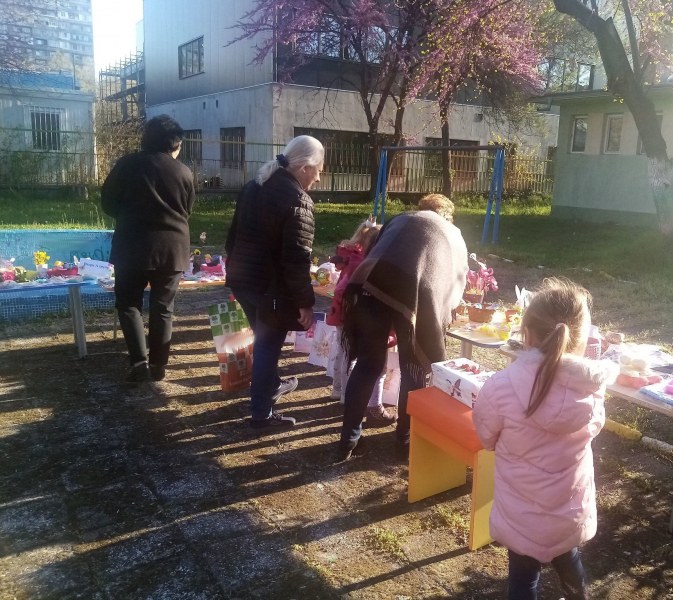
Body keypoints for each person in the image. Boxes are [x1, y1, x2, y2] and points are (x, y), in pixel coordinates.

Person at [473, 277, 618, 600]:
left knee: (523, 578)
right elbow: (594, 426)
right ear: (581, 341)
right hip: (569, 509)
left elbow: (485, 435)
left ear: (526, 334)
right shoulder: (592, 389)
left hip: (522, 512)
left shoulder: (501, 387)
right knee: (569, 557)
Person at [338, 195, 468, 460]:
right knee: (414, 367)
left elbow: (374, 246)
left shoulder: (401, 218)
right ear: (447, 216)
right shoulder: (452, 233)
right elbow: (456, 282)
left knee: (368, 363)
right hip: (416, 293)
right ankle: (404, 441)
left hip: (371, 284)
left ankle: (348, 440)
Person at [225, 135, 324, 429]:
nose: (319, 178)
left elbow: (233, 236)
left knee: (263, 339)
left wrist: (236, 271)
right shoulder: (297, 199)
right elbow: (296, 260)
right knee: (268, 346)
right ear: (305, 167)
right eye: (319, 169)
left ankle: (270, 387)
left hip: (244, 279)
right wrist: (305, 302)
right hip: (269, 288)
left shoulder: (255, 185)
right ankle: (260, 414)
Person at [101, 114, 195, 384]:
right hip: (172, 248)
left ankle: (139, 362)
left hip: (132, 246)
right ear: (175, 144)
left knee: (129, 303)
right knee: (163, 307)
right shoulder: (184, 172)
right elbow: (187, 209)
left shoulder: (126, 165)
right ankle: (159, 365)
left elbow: (108, 203)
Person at [326, 219, 396, 427]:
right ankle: (352, 398)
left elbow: (340, 277)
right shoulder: (366, 262)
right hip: (353, 316)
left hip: (342, 314)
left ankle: (338, 390)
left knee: (344, 353)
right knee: (358, 360)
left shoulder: (350, 256)